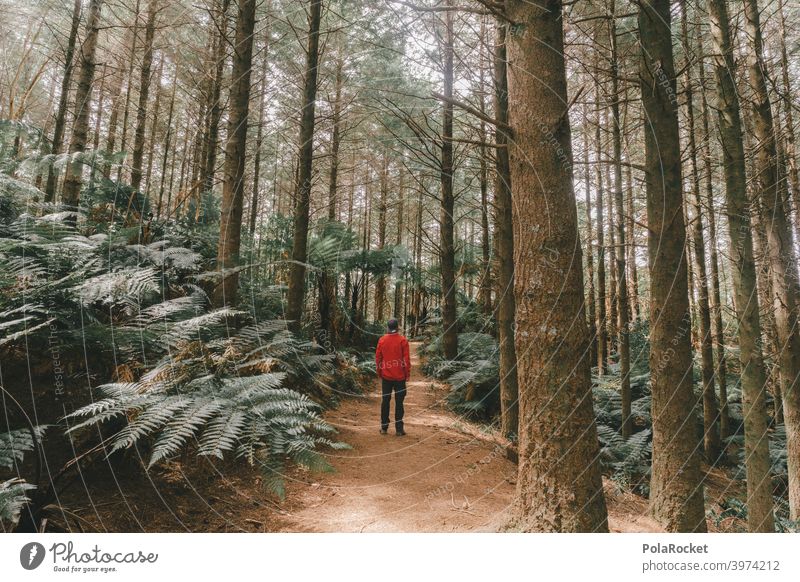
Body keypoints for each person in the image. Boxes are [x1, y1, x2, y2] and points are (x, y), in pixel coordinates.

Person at [375, 318, 411, 435]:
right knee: (399, 402)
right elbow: (406, 360)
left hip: (386, 377)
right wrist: (407, 374)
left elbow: (378, 358)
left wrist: (379, 372)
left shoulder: (382, 340)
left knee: (385, 401)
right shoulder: (403, 340)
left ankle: (384, 428)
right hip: (400, 377)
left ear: (387, 328)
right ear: (398, 327)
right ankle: (399, 430)